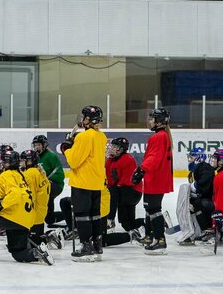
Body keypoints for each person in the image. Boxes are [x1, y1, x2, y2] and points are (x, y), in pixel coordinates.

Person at [60, 105, 108, 262]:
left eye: (84, 117)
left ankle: (86, 247)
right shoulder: (102, 136)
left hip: (82, 182)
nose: (82, 120)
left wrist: (66, 148)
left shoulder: (84, 137)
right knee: (95, 215)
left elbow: (74, 161)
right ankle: (97, 245)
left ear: (89, 120)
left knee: (82, 216)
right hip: (96, 182)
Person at [132, 108, 174, 255]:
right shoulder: (162, 136)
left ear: (160, 122)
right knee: (150, 208)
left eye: (152, 119)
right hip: (155, 178)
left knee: (154, 209)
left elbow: (154, 158)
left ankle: (160, 240)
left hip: (156, 179)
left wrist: (141, 170)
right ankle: (150, 237)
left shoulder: (159, 137)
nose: (149, 121)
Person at [105, 137, 144, 238]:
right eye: (112, 146)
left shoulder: (128, 159)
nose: (112, 148)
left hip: (132, 192)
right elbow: (109, 180)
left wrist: (113, 188)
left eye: (115, 146)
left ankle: (110, 219)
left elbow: (128, 181)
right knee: (127, 224)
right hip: (122, 192)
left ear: (122, 149)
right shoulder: (110, 161)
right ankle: (151, 221)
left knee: (112, 191)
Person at [19, 149, 51, 247]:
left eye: (23, 160)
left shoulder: (29, 174)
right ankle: (46, 238)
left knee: (34, 244)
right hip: (42, 209)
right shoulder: (39, 170)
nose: (21, 162)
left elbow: (30, 195)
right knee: (38, 237)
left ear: (29, 161)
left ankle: (45, 241)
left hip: (35, 211)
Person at [31, 135, 65, 224]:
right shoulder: (34, 157)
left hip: (55, 185)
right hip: (43, 185)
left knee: (44, 192)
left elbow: (60, 176)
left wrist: (45, 178)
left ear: (44, 145)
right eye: (35, 145)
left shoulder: (51, 156)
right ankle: (50, 217)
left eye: (38, 145)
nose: (36, 147)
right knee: (48, 219)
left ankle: (67, 214)